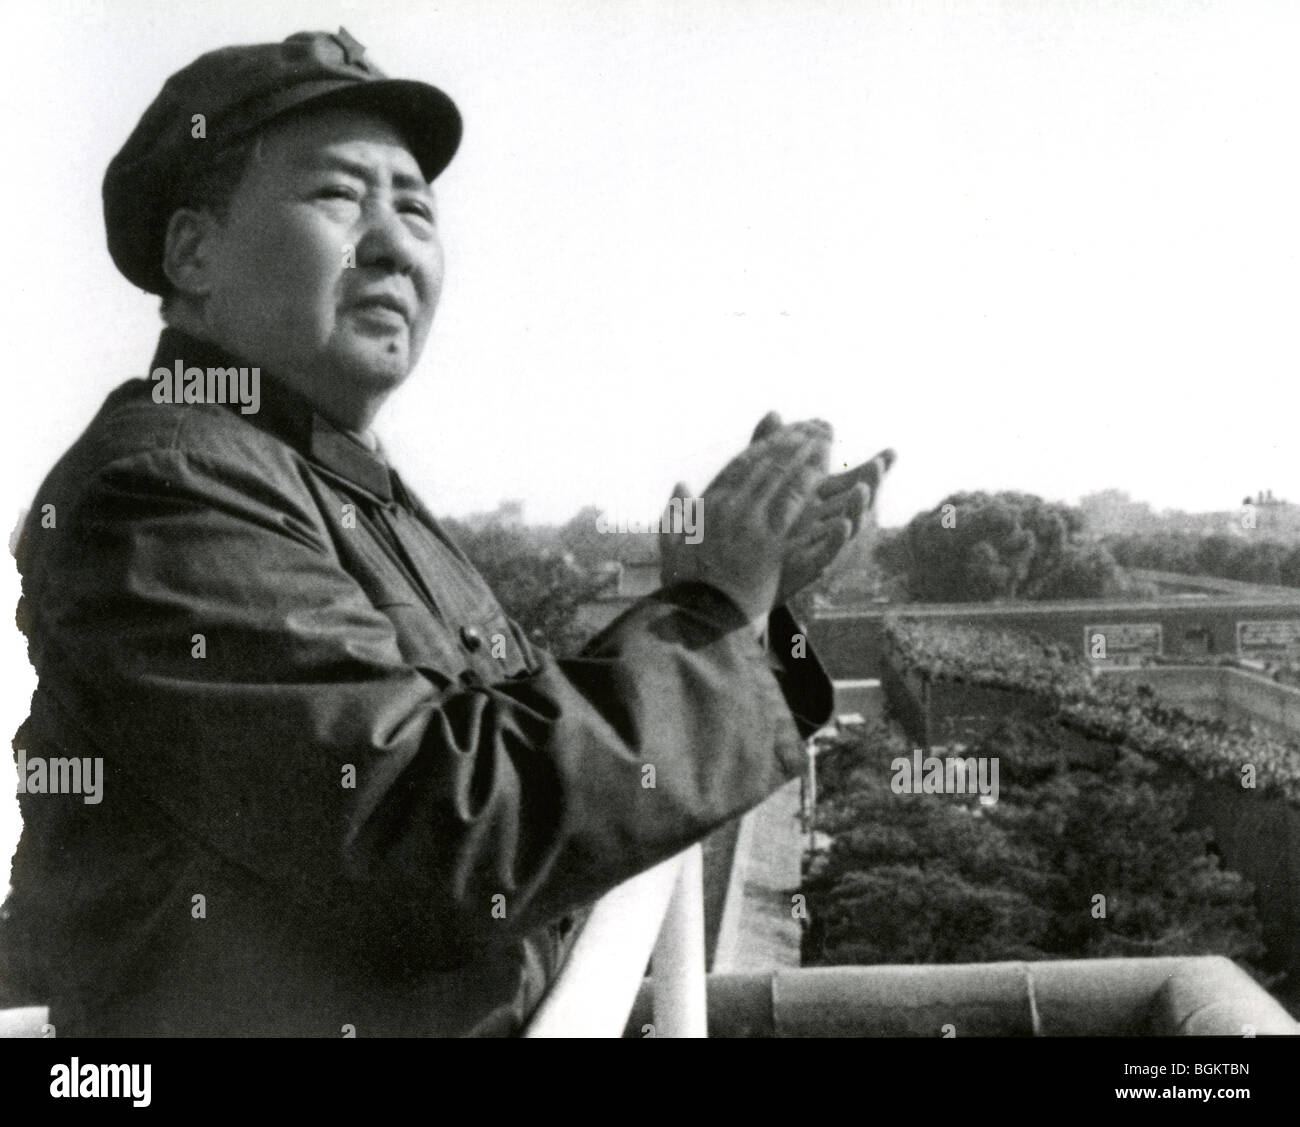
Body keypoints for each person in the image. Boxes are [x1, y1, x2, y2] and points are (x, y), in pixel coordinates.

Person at [2, 28, 888, 1036]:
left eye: (415, 206)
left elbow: (486, 743)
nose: (393, 240)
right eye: (340, 195)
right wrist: (706, 608)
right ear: (194, 253)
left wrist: (742, 606)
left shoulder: (315, 476)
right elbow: (433, 825)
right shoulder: (161, 490)